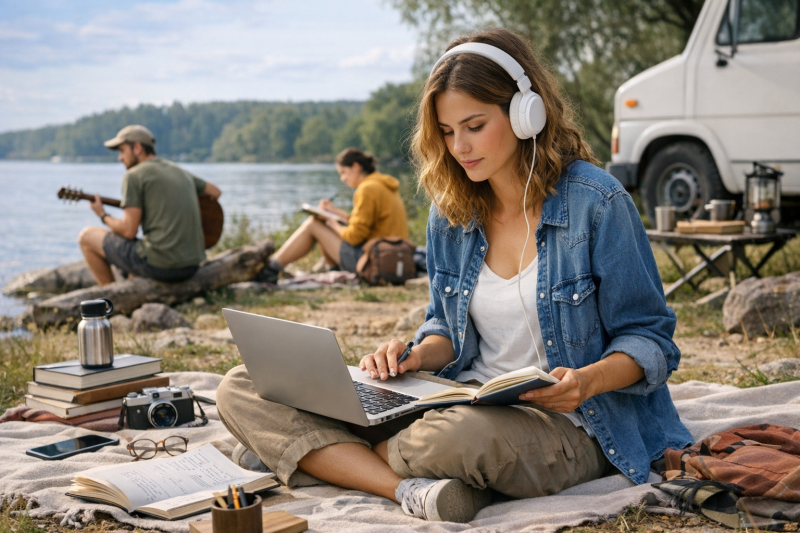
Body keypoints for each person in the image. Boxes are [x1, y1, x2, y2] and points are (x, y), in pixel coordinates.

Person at [216, 28, 693, 524]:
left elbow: (651, 340)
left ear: (524, 113)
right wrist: (414, 354)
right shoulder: (452, 211)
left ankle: (313, 457)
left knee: (455, 437)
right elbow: (446, 328)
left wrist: (587, 381)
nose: (459, 147)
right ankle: (406, 488)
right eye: (446, 131)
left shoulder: (598, 203)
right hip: (461, 398)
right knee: (242, 385)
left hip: (574, 424)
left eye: (474, 125)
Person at [77, 125, 222, 285]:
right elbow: (215, 192)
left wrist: (103, 215)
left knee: (86, 236)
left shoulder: (134, 175)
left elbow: (128, 231)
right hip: (191, 266)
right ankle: (131, 280)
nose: (120, 158)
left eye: (122, 151)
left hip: (161, 266)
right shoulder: (178, 170)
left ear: (137, 147)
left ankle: (110, 299)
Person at [256, 148, 409, 283]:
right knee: (320, 222)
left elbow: (355, 236)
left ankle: (271, 269)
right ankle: (332, 270)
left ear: (356, 166)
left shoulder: (366, 189)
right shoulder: (381, 184)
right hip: (391, 255)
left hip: (374, 261)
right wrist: (334, 212)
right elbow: (365, 224)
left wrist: (331, 222)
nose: (343, 179)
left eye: (343, 172)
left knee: (313, 224)